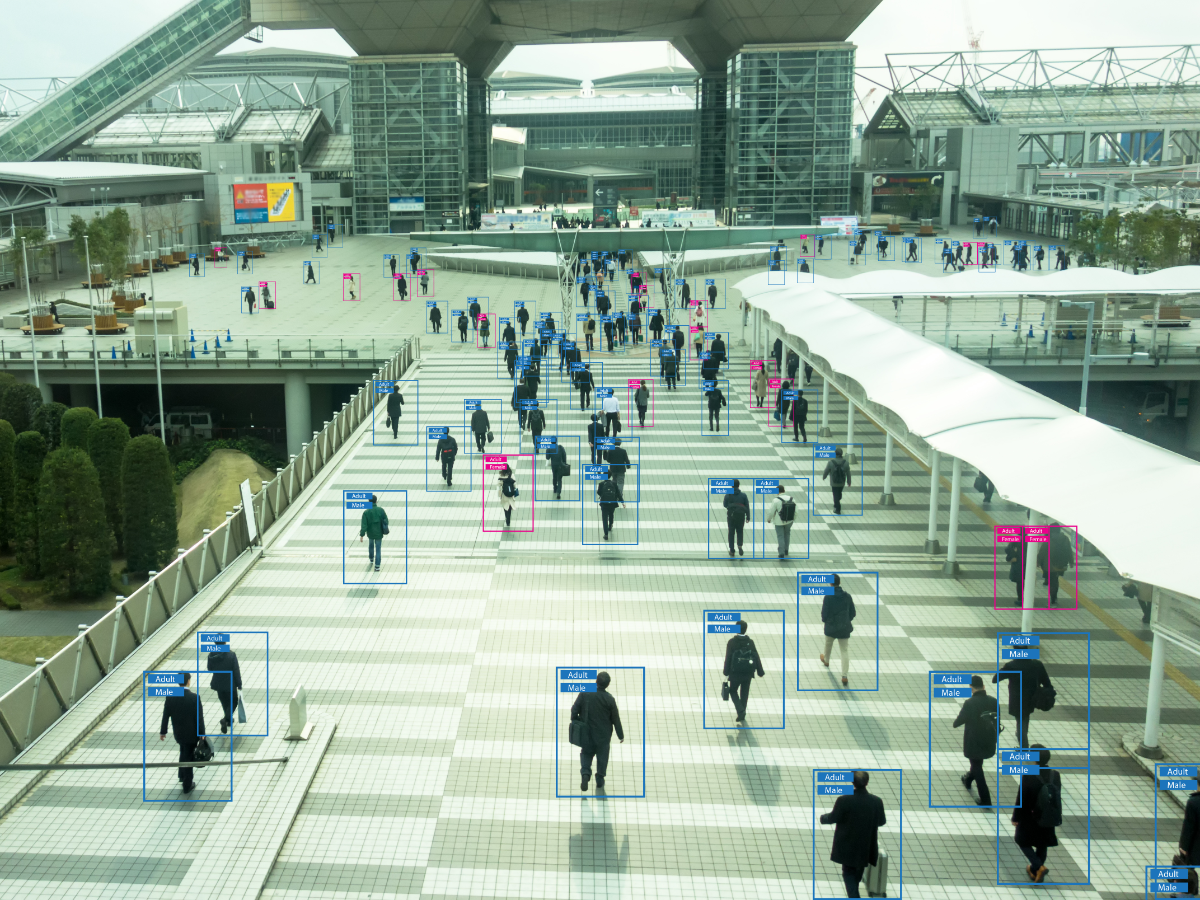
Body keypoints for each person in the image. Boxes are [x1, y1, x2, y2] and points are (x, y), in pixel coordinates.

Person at [818, 771, 887, 898]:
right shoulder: (876, 801)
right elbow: (882, 821)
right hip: (866, 844)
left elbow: (834, 817)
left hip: (848, 844)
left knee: (848, 872)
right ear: (867, 782)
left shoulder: (844, 800)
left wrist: (823, 818)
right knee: (858, 870)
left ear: (852, 782)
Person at [1011, 745, 1060, 883]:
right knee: (1042, 843)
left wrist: (1016, 817)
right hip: (1048, 815)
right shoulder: (1054, 775)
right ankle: (1034, 871)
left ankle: (1039, 867)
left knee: (1021, 840)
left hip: (1030, 816)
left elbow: (1021, 798)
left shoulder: (1028, 774)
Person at [570, 671, 624, 792]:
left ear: (596, 681)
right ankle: (600, 778)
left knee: (586, 753)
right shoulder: (609, 699)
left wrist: (576, 720)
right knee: (602, 756)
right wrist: (620, 735)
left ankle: (585, 774)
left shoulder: (585, 693)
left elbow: (574, 710)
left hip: (587, 733)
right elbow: (615, 719)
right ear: (607, 684)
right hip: (603, 736)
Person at [954, 675, 1000, 806]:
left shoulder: (969, 703)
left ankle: (985, 799)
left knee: (976, 765)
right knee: (977, 763)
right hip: (989, 739)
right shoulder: (994, 701)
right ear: (983, 686)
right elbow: (997, 722)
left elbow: (958, 722)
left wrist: (957, 721)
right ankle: (968, 779)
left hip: (974, 741)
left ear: (971, 687)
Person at [158, 671, 205, 794]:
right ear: (188, 681)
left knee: (183, 751)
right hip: (192, 734)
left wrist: (163, 731)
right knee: (188, 756)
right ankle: (187, 784)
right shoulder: (195, 698)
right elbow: (199, 718)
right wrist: (202, 734)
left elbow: (165, 715)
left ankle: (181, 775)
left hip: (178, 733)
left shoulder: (171, 696)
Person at [994, 655, 1053, 748]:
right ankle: (1020, 735)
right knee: (1024, 717)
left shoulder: (1011, 666)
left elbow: (995, 679)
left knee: (1021, 719)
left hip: (1016, 699)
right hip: (1032, 698)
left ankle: (1024, 746)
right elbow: (1047, 683)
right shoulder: (1037, 664)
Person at [723, 619, 764, 724]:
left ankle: (740, 711)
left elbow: (728, 657)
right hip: (748, 673)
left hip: (735, 673)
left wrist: (726, 672)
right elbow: (756, 656)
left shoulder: (732, 642)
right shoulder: (750, 642)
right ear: (746, 629)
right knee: (744, 693)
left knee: (733, 691)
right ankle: (742, 712)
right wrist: (760, 671)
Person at [819, 573, 855, 685]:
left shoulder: (828, 596)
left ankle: (826, 660)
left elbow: (824, 614)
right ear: (839, 583)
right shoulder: (847, 596)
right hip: (844, 627)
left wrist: (826, 621)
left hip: (831, 626)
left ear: (830, 583)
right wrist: (846, 620)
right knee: (844, 651)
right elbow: (853, 613)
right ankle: (844, 676)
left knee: (828, 644)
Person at [207, 643, 242, 734]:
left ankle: (228, 720)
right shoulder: (231, 655)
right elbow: (236, 670)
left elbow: (209, 669)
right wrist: (239, 684)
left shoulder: (211, 655)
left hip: (218, 683)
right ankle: (225, 720)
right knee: (233, 702)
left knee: (225, 702)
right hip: (230, 683)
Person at [1037, 527, 1074, 606]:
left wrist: (1038, 562)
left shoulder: (1048, 539)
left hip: (1050, 565)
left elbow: (1042, 552)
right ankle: (1054, 598)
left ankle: (1053, 599)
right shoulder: (1065, 539)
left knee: (1052, 582)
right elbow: (1069, 551)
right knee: (1055, 580)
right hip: (1061, 564)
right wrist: (1071, 562)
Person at [358, 494, 388, 572]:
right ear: (376, 501)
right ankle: (377, 566)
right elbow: (386, 520)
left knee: (371, 545)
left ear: (369, 502)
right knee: (378, 549)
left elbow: (364, 525)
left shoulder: (366, 512)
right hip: (379, 533)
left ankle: (371, 558)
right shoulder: (381, 510)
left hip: (370, 534)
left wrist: (362, 535)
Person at [766, 484, 798, 558]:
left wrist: (769, 519)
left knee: (780, 536)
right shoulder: (792, 499)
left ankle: (781, 552)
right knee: (787, 534)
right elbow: (796, 511)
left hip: (778, 521)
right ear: (784, 491)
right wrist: (793, 519)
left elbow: (771, 511)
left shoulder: (776, 500)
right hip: (789, 521)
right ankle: (786, 550)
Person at [722, 479, 750, 558]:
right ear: (738, 485)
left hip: (731, 516)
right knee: (740, 531)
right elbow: (747, 506)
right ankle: (740, 546)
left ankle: (732, 550)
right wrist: (748, 517)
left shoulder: (728, 495)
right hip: (741, 516)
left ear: (731, 486)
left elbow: (724, 505)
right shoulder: (743, 495)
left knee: (731, 532)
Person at [822, 447, 851, 514]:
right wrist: (849, 482)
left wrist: (824, 477)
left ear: (835, 454)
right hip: (842, 482)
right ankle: (837, 502)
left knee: (835, 495)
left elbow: (826, 471)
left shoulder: (831, 462)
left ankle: (837, 509)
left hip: (834, 483)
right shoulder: (846, 463)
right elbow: (848, 473)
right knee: (839, 493)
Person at [596, 471, 625, 539]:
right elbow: (618, 493)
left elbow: (599, 492)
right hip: (612, 502)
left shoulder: (601, 484)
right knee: (611, 513)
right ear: (610, 476)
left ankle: (606, 534)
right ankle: (610, 525)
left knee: (604, 518)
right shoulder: (614, 483)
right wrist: (622, 502)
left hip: (604, 503)